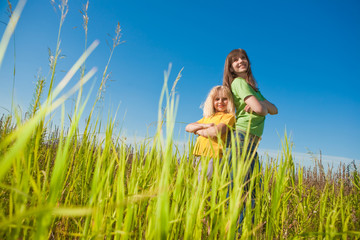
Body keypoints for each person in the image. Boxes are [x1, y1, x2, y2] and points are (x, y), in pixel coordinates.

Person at [223, 48, 278, 229]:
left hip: (251, 142)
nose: (241, 61)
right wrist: (260, 106)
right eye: (235, 60)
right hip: (241, 139)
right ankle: (236, 231)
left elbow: (274, 109)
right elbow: (264, 111)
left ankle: (248, 229)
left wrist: (258, 103)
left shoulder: (254, 89)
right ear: (231, 67)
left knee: (253, 187)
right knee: (239, 187)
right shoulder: (239, 83)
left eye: (243, 58)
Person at [185, 85, 236, 180]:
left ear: (230, 102)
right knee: (196, 182)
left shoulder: (229, 117)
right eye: (217, 99)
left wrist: (197, 130)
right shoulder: (207, 118)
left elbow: (215, 132)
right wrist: (205, 126)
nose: (220, 102)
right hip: (198, 154)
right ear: (212, 101)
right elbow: (188, 127)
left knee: (204, 184)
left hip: (213, 155)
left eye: (224, 99)